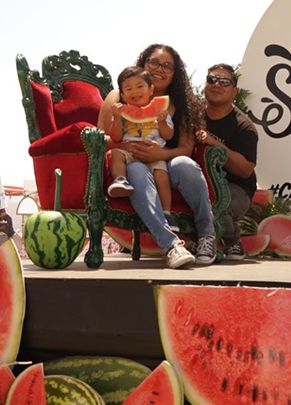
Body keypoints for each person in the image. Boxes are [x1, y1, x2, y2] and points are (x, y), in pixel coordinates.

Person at [98, 44, 215, 268]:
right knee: (135, 171)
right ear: (143, 63)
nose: (159, 69)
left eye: (167, 66)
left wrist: (161, 153)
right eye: (153, 62)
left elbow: (186, 149)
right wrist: (128, 146)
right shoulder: (117, 98)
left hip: (167, 165)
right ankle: (172, 246)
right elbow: (100, 137)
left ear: (175, 74)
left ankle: (207, 235)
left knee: (185, 164)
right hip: (132, 162)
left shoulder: (181, 104)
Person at [197, 64, 258, 261]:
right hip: (200, 181)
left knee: (214, 204)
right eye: (212, 80)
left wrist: (215, 144)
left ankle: (232, 240)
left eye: (224, 82)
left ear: (234, 91)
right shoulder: (193, 115)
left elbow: (245, 170)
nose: (217, 85)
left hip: (236, 188)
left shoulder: (244, 127)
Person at [106, 66, 175, 223]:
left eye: (139, 86)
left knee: (162, 175)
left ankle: (167, 213)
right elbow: (115, 137)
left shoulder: (162, 112)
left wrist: (162, 122)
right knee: (116, 153)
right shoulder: (121, 114)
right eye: (128, 89)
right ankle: (120, 180)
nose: (134, 91)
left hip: (154, 153)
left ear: (151, 89)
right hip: (130, 153)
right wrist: (116, 119)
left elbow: (168, 135)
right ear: (122, 95)